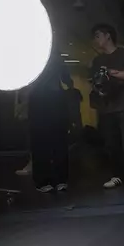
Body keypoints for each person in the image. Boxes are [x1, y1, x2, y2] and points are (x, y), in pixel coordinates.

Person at [90, 23, 124, 191]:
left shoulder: (123, 53)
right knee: (111, 144)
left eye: (98, 35)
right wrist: (100, 90)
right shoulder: (97, 60)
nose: (96, 40)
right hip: (107, 107)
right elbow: (96, 83)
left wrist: (110, 72)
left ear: (108, 36)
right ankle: (117, 175)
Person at [28, 56, 70, 192]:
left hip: (48, 98)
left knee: (52, 141)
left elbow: (66, 79)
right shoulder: (34, 57)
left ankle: (51, 180)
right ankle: (53, 179)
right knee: (47, 141)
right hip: (46, 98)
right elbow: (66, 79)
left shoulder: (52, 58)